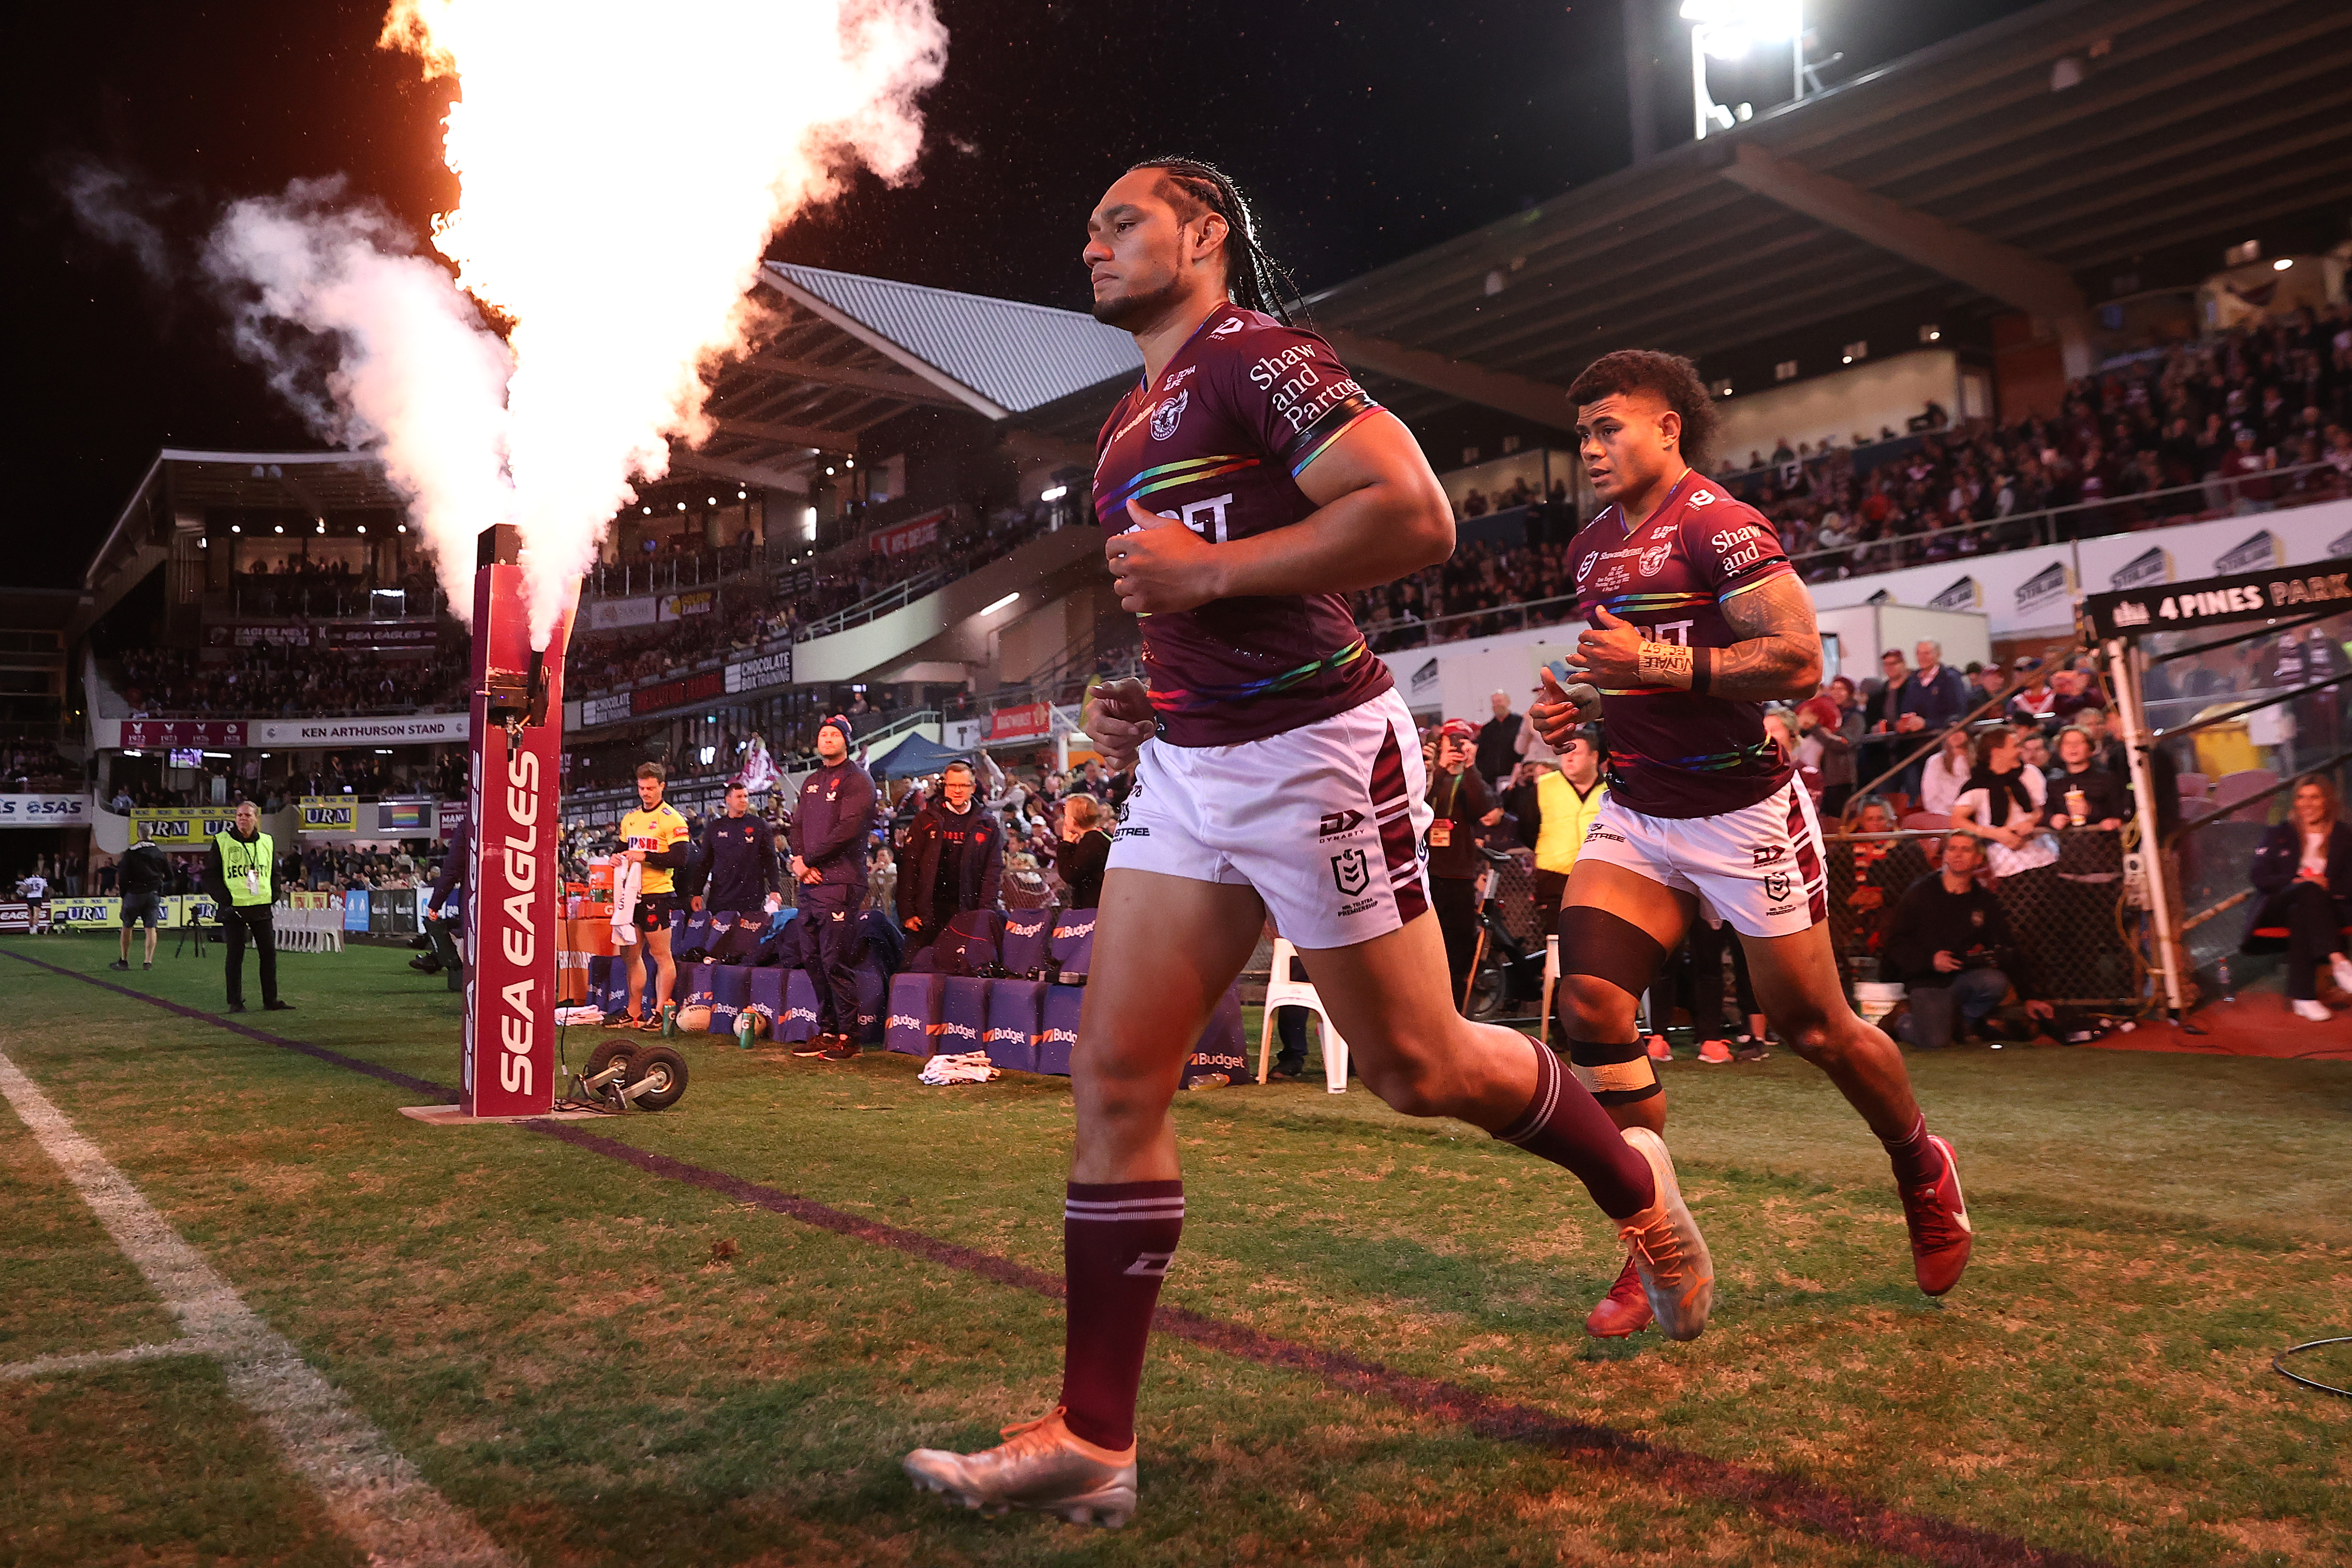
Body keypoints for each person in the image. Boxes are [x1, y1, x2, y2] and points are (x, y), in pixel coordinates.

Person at [903, 158, 1711, 1529]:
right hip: (1187, 764)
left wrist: (1207, 574)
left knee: (1418, 1065)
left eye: (1120, 220)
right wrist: (1142, 689)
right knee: (1113, 1078)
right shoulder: (1119, 429)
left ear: (1201, 232)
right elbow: (1185, 595)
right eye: (1087, 223)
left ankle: (1634, 1180)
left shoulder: (1256, 357)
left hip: (1316, 752)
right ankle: (1096, 1440)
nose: (1089, 243)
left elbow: (1413, 515)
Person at [1529, 346, 1970, 1342]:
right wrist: (1583, 714)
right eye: (1583, 432)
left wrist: (1644, 658)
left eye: (1610, 427)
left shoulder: (1720, 525)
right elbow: (1634, 683)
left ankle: (1918, 1164)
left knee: (1816, 1029)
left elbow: (1795, 661)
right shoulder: (1590, 544)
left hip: (1742, 814)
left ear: (1666, 428)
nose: (1591, 448)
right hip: (1640, 812)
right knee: (1591, 1002)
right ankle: (1654, 1235)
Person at [1883, 834, 2050, 1047]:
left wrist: (2030, 996)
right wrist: (1930, 961)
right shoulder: (1920, 893)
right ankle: (1901, 1021)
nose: (1957, 855)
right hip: (1926, 980)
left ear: (1978, 859)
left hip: (1963, 978)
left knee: (1994, 982)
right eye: (1952, 849)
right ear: (1944, 856)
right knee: (1936, 1042)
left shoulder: (1984, 901)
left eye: (1966, 849)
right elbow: (1895, 942)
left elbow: (2008, 948)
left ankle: (1963, 1023)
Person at [788, 716, 877, 1060]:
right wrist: (798, 860)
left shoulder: (858, 781)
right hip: (811, 883)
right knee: (812, 959)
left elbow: (848, 830)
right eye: (823, 734)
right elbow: (796, 826)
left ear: (846, 741)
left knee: (834, 960)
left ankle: (849, 1037)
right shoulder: (812, 780)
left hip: (841, 882)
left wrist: (808, 860)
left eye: (834, 735)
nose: (827, 739)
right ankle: (826, 1031)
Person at [2243, 774, 2352, 1021]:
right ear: (2295, 802)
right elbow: (2259, 876)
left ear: (2327, 801)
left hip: (2326, 906)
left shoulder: (2343, 834)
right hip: (2281, 901)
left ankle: (2304, 998)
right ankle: (2339, 961)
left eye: (2315, 797)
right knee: (2307, 891)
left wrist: (2327, 885)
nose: (2307, 804)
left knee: (2302, 911)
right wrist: (2297, 881)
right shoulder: (2279, 832)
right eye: (2301, 798)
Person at [1425, 717, 1505, 1008]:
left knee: (1458, 949)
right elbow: (1419, 801)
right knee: (1425, 948)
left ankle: (1457, 1012)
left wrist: (1470, 767)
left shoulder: (1469, 778)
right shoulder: (1431, 775)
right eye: (1452, 742)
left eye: (1463, 742)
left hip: (1458, 876)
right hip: (1426, 873)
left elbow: (1483, 808)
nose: (1457, 747)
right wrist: (1438, 767)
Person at [612, 763, 693, 1032]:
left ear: (662, 786)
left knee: (660, 954)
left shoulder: (673, 819)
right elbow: (622, 848)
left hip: (657, 895)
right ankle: (633, 1011)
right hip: (629, 897)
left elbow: (681, 859)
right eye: (641, 788)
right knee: (630, 955)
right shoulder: (631, 818)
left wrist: (645, 856)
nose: (645, 793)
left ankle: (660, 1011)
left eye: (650, 788)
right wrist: (615, 856)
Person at [896, 760, 1003, 960]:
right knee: (914, 970)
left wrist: (984, 915)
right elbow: (909, 867)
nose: (957, 790)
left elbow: (993, 872)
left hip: (967, 912)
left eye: (963, 785)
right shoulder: (926, 820)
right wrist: (907, 911)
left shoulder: (988, 824)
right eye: (952, 785)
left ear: (972, 788)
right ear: (945, 787)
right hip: (927, 914)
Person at [1515, 727, 1606, 935]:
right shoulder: (1544, 786)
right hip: (1554, 878)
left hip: (1600, 876)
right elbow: (1527, 828)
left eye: (1576, 753)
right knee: (1558, 941)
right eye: (1565, 753)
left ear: (1594, 757)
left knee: (1597, 938)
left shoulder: (1610, 791)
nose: (1569, 759)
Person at [204, 800, 290, 1014]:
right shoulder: (222, 841)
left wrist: (274, 894)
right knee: (235, 955)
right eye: (239, 815)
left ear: (256, 819)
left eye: (247, 815)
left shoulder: (268, 841)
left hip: (261, 906)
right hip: (234, 908)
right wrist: (225, 898)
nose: (243, 819)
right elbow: (210, 875)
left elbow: (275, 872)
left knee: (269, 954)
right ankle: (235, 1001)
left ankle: (271, 1000)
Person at [692, 782, 783, 925]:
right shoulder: (715, 827)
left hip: (751, 897)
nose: (744, 800)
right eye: (739, 797)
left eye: (746, 797)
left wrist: (775, 890)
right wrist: (697, 892)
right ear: (728, 800)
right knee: (719, 942)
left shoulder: (759, 825)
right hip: (721, 897)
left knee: (748, 941)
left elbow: (770, 859)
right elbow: (705, 862)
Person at [2042, 726, 2127, 830]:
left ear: (2090, 749)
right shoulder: (2054, 783)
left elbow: (2121, 812)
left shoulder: (2107, 779)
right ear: (2060, 750)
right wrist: (2052, 819)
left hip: (2104, 842)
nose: (2073, 747)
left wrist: (2090, 810)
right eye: (2067, 743)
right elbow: (2045, 813)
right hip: (2068, 844)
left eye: (2079, 743)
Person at [110, 830, 169, 971]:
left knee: (127, 926)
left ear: (139, 834)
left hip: (134, 893)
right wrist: (160, 888)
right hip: (153, 893)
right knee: (151, 928)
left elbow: (123, 875)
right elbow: (170, 875)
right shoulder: (159, 853)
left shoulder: (131, 853)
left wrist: (124, 893)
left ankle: (124, 960)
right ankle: (148, 962)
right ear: (152, 833)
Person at [1056, 794, 1111, 909]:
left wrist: (1065, 845)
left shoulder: (1092, 840)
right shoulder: (1100, 836)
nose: (1064, 820)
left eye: (1066, 815)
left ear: (1074, 819)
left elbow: (1070, 874)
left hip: (1096, 909)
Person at [1919, 724, 1976, 818]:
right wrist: (1948, 814)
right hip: (1943, 816)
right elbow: (1930, 797)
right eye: (1952, 732)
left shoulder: (1977, 759)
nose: (1956, 735)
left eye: (1959, 730)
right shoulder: (1935, 761)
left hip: (1971, 813)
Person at [1474, 688, 1520, 785]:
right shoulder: (1487, 729)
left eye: (1499, 701)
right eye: (1494, 702)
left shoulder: (1520, 724)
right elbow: (1481, 754)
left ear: (1508, 702)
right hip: (1491, 780)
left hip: (1515, 778)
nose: (1497, 705)